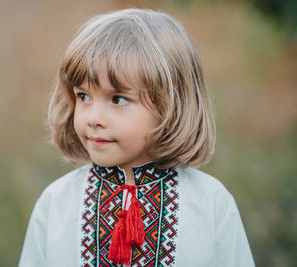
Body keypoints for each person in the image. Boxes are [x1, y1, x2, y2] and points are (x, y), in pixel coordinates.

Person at [19, 8, 255, 267]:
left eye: (118, 99)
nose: (93, 117)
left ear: (169, 106)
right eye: (83, 96)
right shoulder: (56, 203)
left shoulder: (210, 203)